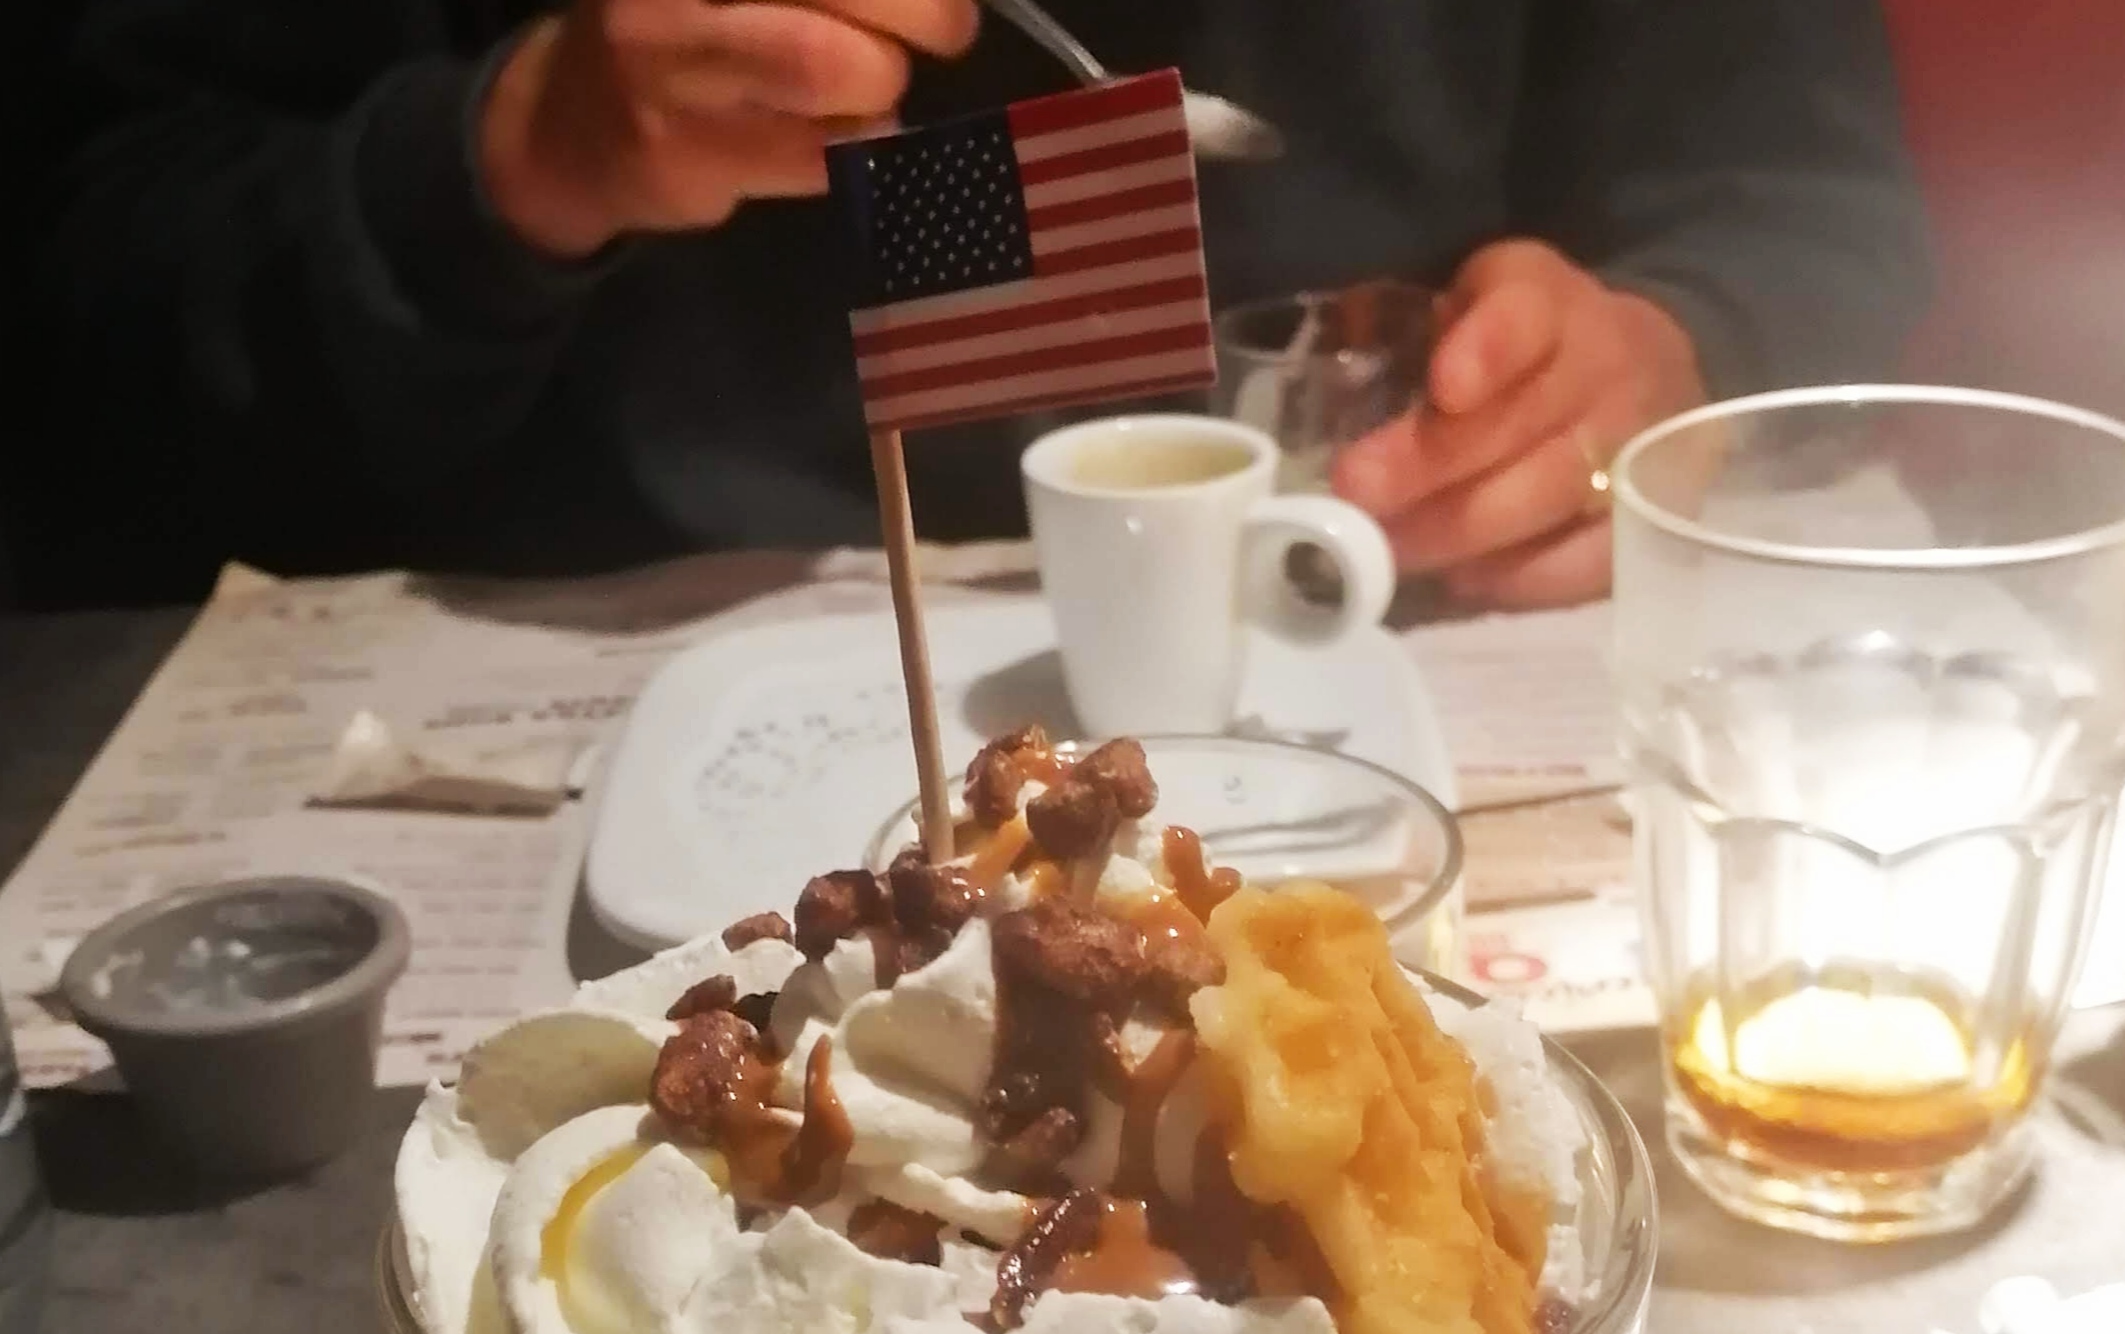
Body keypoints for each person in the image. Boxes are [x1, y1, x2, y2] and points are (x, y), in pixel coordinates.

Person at [16, 0, 1927, 608]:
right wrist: (507, 159)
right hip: (571, 674)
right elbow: (81, 309)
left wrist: (1685, 345)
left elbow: (1803, 204)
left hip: (1386, 646)